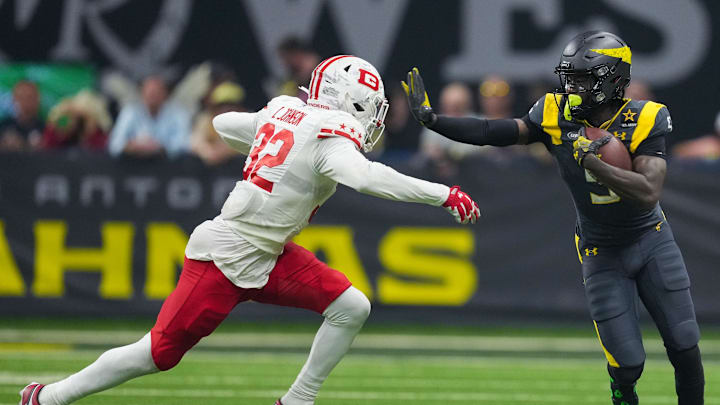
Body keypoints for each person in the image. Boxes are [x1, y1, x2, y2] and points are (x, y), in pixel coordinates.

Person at [20, 55, 480, 405]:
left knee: (351, 306)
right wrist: (444, 194)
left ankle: (297, 400)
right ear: (348, 99)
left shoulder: (286, 111)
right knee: (156, 354)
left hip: (271, 252)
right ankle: (47, 398)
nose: (372, 119)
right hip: (228, 254)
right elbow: (366, 178)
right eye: (368, 107)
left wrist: (269, 133)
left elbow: (223, 124)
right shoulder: (328, 136)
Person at [403, 31, 704, 405]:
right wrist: (435, 121)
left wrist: (592, 162)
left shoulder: (646, 117)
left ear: (611, 79)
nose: (570, 87)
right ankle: (622, 390)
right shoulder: (553, 112)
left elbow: (648, 191)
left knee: (684, 343)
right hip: (600, 251)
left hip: (650, 239)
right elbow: (496, 132)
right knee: (627, 364)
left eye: (581, 79)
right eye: (569, 77)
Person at [108, 75, 191, 159]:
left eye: (156, 93)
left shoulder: (178, 114)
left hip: (168, 167)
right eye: (149, 93)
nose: (152, 97)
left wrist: (160, 148)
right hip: (134, 165)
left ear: (165, 94)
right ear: (142, 94)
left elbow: (184, 144)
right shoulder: (130, 112)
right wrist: (131, 146)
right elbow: (114, 144)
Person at [190, 81, 246, 165]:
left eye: (231, 105)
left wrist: (224, 150)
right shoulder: (206, 119)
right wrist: (208, 152)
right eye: (221, 106)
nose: (226, 109)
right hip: (211, 169)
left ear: (240, 107)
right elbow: (195, 142)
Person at [40, 90, 111, 152]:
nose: (76, 122)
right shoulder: (67, 138)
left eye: (81, 119)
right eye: (74, 117)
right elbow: (48, 148)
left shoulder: (102, 140)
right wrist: (55, 117)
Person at [0, 80, 44, 151]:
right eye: (21, 97)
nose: (25, 102)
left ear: (38, 99)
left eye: (29, 97)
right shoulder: (3, 126)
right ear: (14, 100)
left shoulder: (46, 129)